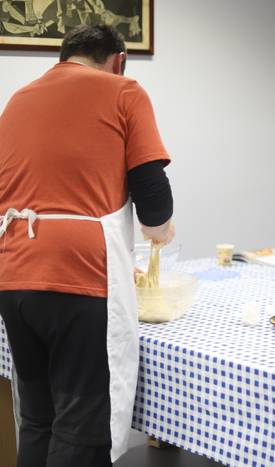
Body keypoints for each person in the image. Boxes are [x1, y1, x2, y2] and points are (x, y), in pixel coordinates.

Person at [0, 25, 174, 466]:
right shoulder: (124, 91)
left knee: (38, 417)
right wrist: (161, 229)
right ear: (118, 59)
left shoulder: (19, 100)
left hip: (13, 273)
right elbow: (152, 195)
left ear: (64, 57)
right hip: (78, 277)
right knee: (81, 425)